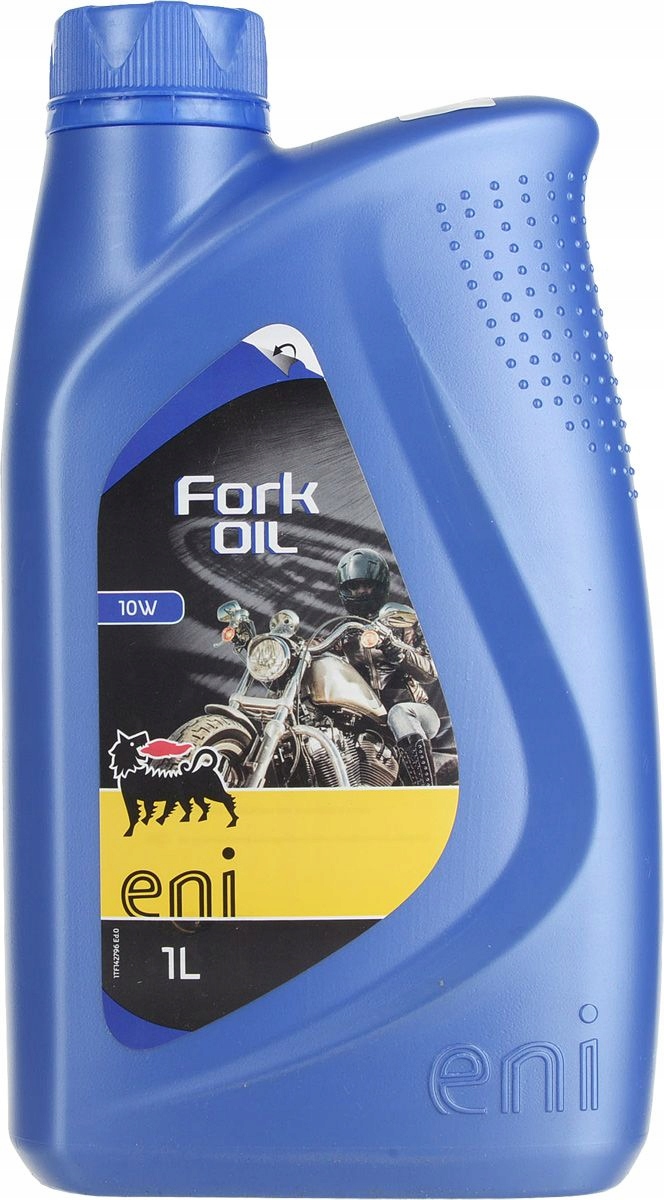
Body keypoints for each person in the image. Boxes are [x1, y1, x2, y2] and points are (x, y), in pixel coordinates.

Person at [335, 547, 441, 787]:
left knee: (399, 713)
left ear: (380, 586)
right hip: (368, 718)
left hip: (415, 713)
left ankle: (425, 790)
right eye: (353, 587)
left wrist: (396, 649)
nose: (360, 592)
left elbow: (430, 672)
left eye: (367, 586)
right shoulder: (343, 632)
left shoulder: (405, 624)